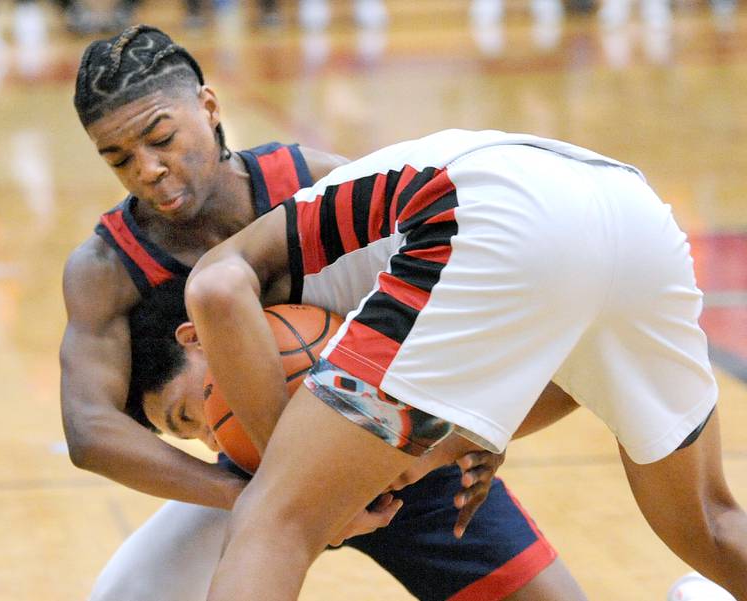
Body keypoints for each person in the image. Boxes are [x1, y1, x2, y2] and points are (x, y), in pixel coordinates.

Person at [64, 25, 587, 601]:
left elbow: (463, 290)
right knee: (123, 596)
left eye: (160, 139)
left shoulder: (314, 179)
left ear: (209, 107)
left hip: (393, 445)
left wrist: (477, 428)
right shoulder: (105, 265)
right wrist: (270, 493)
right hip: (250, 474)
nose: (146, 169)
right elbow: (91, 430)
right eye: (118, 159)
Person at [184, 128, 747, 600]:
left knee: (275, 520)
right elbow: (581, 381)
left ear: (197, 342)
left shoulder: (282, 248)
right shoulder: (386, 270)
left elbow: (215, 287)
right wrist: (455, 441)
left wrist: (281, 469)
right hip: (634, 212)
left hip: (493, 206)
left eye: (194, 411)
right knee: (711, 522)